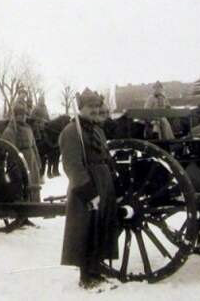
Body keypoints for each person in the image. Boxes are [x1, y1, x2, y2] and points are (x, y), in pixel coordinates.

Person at [59, 88, 118, 290]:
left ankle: (96, 271)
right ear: (81, 108)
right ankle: (86, 277)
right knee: (86, 229)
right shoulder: (71, 131)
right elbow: (72, 165)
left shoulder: (97, 130)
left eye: (96, 106)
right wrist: (88, 192)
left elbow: (106, 156)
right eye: (89, 107)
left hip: (104, 183)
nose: (94, 110)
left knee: (100, 227)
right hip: (86, 185)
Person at [2, 98, 42, 201]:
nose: (23, 117)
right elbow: (9, 150)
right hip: (20, 161)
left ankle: (34, 203)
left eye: (24, 115)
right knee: (24, 184)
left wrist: (38, 161)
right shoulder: (10, 130)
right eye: (21, 115)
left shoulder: (28, 128)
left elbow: (34, 145)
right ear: (15, 116)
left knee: (33, 182)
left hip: (31, 160)